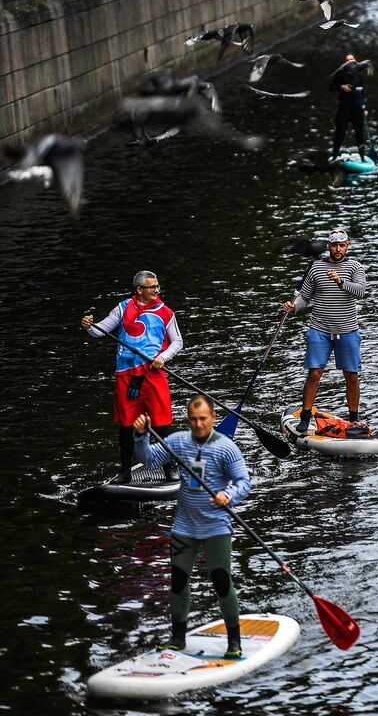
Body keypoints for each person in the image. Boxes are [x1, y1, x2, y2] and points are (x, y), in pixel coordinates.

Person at [132, 396, 251, 659]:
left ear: (213, 418)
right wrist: (140, 435)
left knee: (221, 582)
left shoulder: (226, 448)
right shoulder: (177, 442)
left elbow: (244, 482)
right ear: (188, 420)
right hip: (184, 526)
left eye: (203, 419)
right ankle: (177, 639)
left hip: (216, 527)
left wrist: (228, 495)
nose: (198, 424)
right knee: (178, 582)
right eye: (194, 419)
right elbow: (149, 460)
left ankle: (234, 641)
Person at [81, 271, 184, 482]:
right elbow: (99, 332)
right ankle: (125, 471)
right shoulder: (122, 308)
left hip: (153, 374)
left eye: (157, 286)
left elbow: (177, 343)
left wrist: (163, 357)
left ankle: (169, 467)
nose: (156, 290)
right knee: (126, 425)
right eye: (152, 287)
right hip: (126, 376)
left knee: (161, 424)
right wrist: (89, 326)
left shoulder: (166, 313)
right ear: (139, 290)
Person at [283, 228, 368, 432]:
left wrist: (340, 282)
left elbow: (360, 292)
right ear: (328, 246)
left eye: (342, 245)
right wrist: (294, 307)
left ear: (347, 246)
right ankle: (305, 415)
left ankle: (354, 420)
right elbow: (305, 296)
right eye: (334, 245)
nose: (338, 249)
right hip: (319, 329)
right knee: (314, 374)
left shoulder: (355, 267)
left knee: (352, 376)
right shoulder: (316, 268)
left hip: (347, 330)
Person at [329, 54, 369, 161]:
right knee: (340, 131)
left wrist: (364, 108)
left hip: (357, 108)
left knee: (360, 133)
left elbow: (362, 92)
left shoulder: (359, 74)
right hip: (344, 108)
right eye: (348, 60)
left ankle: (362, 157)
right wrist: (342, 87)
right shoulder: (340, 74)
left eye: (352, 59)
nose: (351, 62)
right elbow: (331, 87)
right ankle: (334, 155)